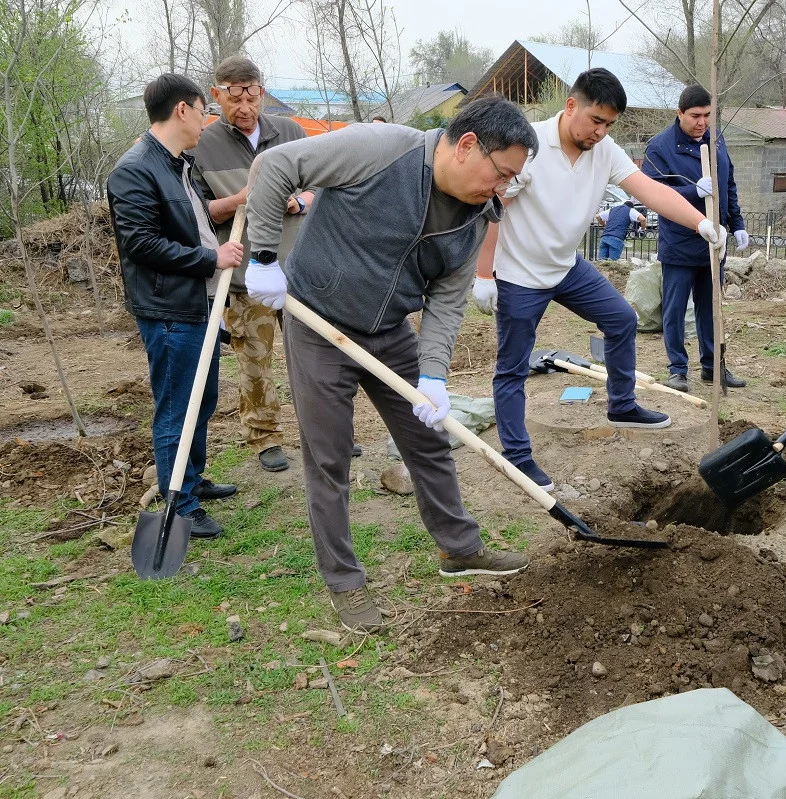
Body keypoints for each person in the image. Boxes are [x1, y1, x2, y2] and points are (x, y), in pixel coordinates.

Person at [242, 96, 539, 632]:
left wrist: (434, 376)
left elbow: (447, 302)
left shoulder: (474, 218)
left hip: (390, 331)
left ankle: (459, 548)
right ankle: (344, 582)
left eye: (511, 181)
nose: (502, 190)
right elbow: (275, 166)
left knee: (430, 441)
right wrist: (263, 256)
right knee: (328, 456)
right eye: (502, 174)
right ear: (468, 145)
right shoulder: (380, 150)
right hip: (317, 322)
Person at [472, 68, 727, 491]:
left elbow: (649, 190)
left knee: (622, 319)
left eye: (610, 124)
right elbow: (491, 208)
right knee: (512, 368)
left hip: (567, 267)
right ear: (571, 105)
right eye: (596, 120)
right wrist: (485, 274)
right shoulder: (527, 146)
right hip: (519, 274)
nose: (601, 132)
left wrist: (701, 224)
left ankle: (622, 405)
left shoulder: (605, 150)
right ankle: (517, 456)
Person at [107, 74, 243, 539]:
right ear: (182, 110)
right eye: (204, 110)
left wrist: (234, 207)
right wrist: (212, 257)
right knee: (177, 408)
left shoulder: (178, 164)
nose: (208, 121)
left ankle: (191, 479)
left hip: (199, 301)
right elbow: (141, 244)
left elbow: (193, 219)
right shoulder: (134, 170)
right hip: (169, 310)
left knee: (201, 398)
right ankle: (179, 506)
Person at [191, 55, 312, 473]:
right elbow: (200, 210)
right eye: (234, 98)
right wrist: (239, 200)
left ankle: (324, 430)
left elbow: (321, 188)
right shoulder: (202, 145)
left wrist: (299, 200)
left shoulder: (292, 133)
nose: (245, 108)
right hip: (244, 277)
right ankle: (265, 437)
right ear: (216, 95)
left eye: (252, 96)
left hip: (298, 270)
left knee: (314, 358)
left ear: (262, 91)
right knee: (255, 359)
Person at [642, 84, 750, 394]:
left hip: (714, 241)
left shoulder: (716, 138)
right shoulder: (660, 147)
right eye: (694, 116)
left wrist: (737, 222)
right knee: (675, 309)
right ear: (679, 113)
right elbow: (653, 194)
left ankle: (713, 366)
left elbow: (728, 182)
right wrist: (693, 191)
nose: (701, 123)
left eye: (707, 115)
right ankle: (677, 369)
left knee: (711, 305)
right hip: (679, 241)